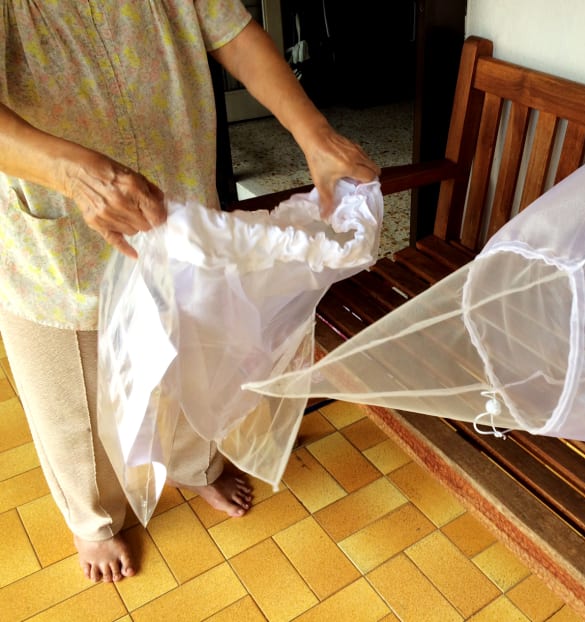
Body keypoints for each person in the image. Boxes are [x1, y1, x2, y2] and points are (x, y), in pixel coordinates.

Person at [0, 2, 380, 584]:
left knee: (186, 364)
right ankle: (95, 519)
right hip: (55, 234)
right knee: (73, 399)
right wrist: (73, 172)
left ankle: (195, 464)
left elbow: (231, 31)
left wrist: (315, 133)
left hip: (176, 215)